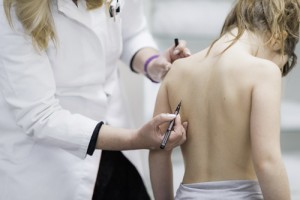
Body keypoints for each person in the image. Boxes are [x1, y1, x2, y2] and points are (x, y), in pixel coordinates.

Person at [0, 0, 190, 200]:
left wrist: (153, 63)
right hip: (51, 165)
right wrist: (136, 139)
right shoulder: (12, 10)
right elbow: (40, 116)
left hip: (114, 140)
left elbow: (132, 32)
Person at [149, 0, 300, 199]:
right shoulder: (263, 72)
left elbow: (158, 149)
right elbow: (267, 161)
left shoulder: (177, 71)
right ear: (278, 38)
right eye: (281, 63)